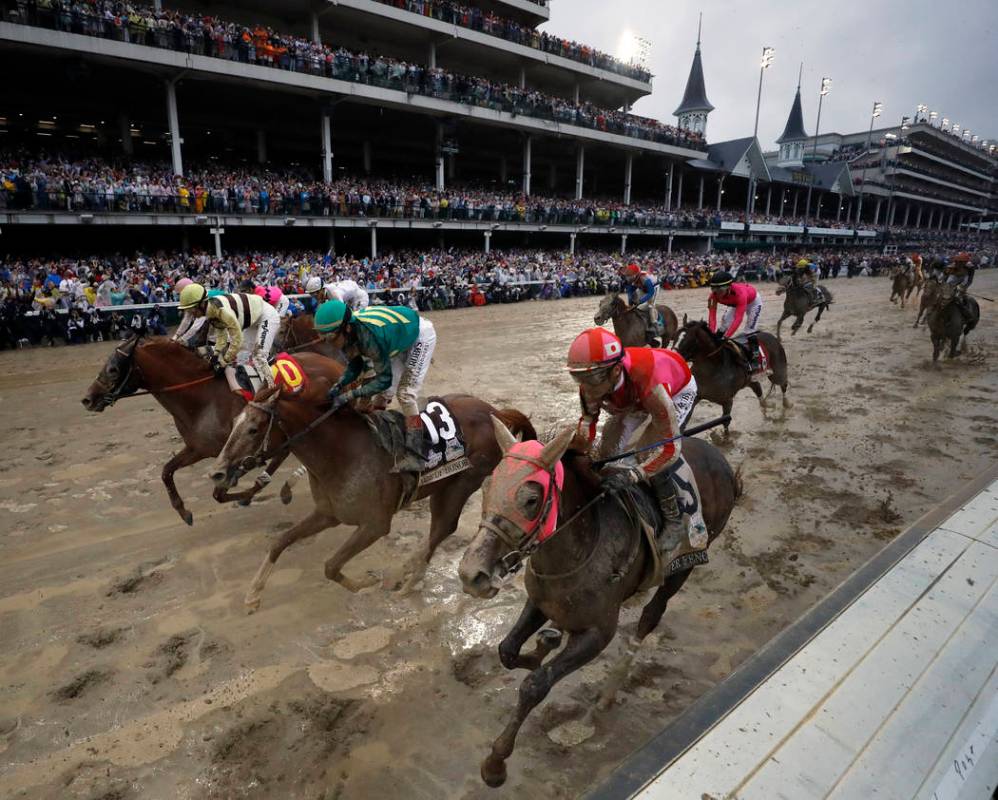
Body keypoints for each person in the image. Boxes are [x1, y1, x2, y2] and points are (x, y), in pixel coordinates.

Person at [567, 328, 701, 553]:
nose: (586, 387)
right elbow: (587, 427)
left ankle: (674, 519)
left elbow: (669, 448)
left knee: (647, 452)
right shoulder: (593, 384)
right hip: (632, 396)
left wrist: (633, 474)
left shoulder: (650, 380)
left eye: (592, 379)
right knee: (607, 452)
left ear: (615, 370)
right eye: (579, 378)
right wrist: (576, 452)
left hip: (674, 391)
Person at [315, 299, 436, 457]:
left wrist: (350, 395)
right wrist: (340, 384)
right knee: (383, 396)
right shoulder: (350, 331)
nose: (329, 343)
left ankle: (417, 444)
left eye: (331, 337)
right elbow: (356, 364)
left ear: (347, 328)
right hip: (396, 336)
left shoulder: (369, 337)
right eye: (324, 338)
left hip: (420, 335)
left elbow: (383, 380)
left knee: (405, 394)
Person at [176, 283, 280, 396]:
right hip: (253, 319)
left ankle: (273, 392)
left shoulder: (222, 311)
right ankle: (254, 386)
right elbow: (222, 336)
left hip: (267, 316)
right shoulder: (210, 311)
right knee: (242, 356)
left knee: (259, 356)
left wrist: (224, 361)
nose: (191, 314)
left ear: (201, 304)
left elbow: (237, 339)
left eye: (191, 310)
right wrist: (216, 355)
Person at [707, 270, 763, 368]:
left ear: (728, 287)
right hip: (735, 303)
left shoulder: (739, 294)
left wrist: (726, 337)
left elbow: (738, 319)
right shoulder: (713, 296)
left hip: (753, 302)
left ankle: (755, 357)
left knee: (749, 329)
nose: (717, 294)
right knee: (724, 324)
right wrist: (712, 334)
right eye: (714, 290)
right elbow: (712, 316)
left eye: (720, 290)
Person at [621, 262, 661, 345]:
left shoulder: (645, 279)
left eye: (629, 276)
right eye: (627, 276)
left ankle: (654, 325)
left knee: (650, 305)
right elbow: (630, 293)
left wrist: (641, 300)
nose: (627, 278)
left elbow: (650, 293)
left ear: (635, 275)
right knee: (635, 301)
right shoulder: (631, 279)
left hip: (653, 287)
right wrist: (630, 303)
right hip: (642, 287)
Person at [305, 276, 370, 312]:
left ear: (321, 290)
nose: (314, 297)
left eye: (315, 295)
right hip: (350, 299)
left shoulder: (334, 294)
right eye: (312, 295)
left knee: (355, 321)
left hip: (360, 297)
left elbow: (342, 312)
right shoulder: (326, 291)